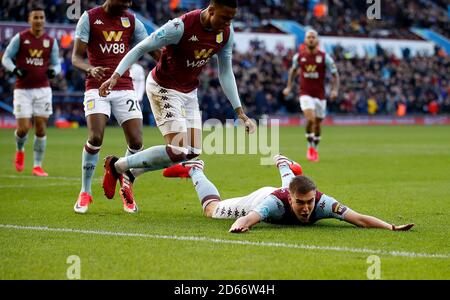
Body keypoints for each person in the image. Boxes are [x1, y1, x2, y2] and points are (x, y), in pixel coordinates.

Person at [99, 0, 257, 200]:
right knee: (179, 149)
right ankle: (117, 165)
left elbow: (225, 72)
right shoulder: (179, 27)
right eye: (225, 17)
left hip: (189, 92)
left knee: (191, 152)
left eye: (231, 19)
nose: (228, 23)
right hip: (163, 88)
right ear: (211, 10)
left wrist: (240, 112)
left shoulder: (226, 33)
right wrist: (115, 76)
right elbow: (141, 48)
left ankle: (129, 174)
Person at [166, 155, 414, 233]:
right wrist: (238, 227)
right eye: (301, 204)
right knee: (211, 211)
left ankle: (283, 163)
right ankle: (196, 170)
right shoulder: (273, 204)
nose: (307, 208)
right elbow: (249, 218)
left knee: (295, 186)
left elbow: (359, 219)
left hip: (287, 191)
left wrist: (391, 227)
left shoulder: (323, 203)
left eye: (310, 202)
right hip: (260, 197)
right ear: (292, 201)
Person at [71, 0, 152, 214]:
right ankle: (85, 191)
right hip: (96, 87)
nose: (128, 3)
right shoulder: (89, 18)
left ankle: (126, 186)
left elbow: (151, 47)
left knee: (136, 141)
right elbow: (76, 58)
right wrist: (89, 69)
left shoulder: (132, 21)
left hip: (125, 86)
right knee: (96, 137)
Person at [1, 4, 61, 177]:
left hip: (43, 89)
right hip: (22, 90)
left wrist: (53, 71)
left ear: (44, 20)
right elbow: (6, 58)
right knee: (23, 129)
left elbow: (56, 63)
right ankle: (20, 150)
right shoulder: (20, 38)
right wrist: (14, 69)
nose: (39, 20)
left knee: (41, 128)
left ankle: (37, 165)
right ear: (29, 20)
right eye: (35, 17)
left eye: (41, 17)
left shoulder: (50, 41)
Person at [283, 29, 340, 162]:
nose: (311, 39)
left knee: (318, 123)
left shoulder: (325, 57)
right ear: (305, 40)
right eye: (308, 37)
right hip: (305, 93)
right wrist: (289, 87)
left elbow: (335, 75)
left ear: (317, 40)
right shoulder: (299, 57)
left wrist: (334, 90)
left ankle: (315, 147)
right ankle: (310, 148)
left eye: (313, 37)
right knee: (311, 118)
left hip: (320, 95)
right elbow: (293, 71)